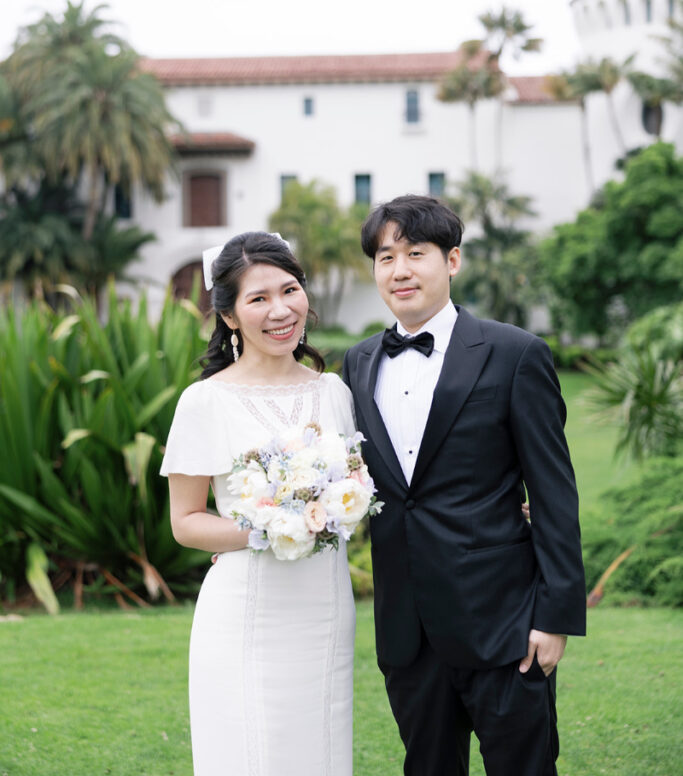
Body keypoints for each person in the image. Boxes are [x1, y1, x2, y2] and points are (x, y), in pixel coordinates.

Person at [342, 194, 586, 776]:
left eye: (416, 254)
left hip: (504, 624)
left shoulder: (515, 354)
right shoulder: (356, 363)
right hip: (406, 632)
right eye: (385, 257)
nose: (399, 270)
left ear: (452, 260)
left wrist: (553, 618)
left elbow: (553, 495)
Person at [160, 231, 357, 776]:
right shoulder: (204, 402)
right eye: (258, 298)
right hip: (246, 610)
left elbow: (357, 484)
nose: (280, 310)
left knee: (320, 747)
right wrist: (272, 526)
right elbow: (185, 522)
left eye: (289, 290)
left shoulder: (333, 394)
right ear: (229, 317)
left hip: (325, 607)